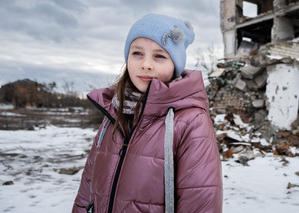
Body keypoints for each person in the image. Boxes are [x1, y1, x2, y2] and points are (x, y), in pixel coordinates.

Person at [72, 14, 223, 213]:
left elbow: (201, 199)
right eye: (137, 53)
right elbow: (88, 186)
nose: (146, 64)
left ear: (175, 65)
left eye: (159, 56)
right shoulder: (114, 112)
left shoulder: (190, 121)